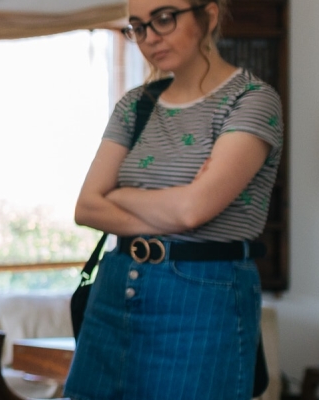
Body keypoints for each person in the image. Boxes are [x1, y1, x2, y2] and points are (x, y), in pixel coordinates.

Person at [68, 0, 282, 397]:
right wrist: (179, 206)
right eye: (138, 27)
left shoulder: (251, 99)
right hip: (114, 288)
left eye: (164, 19)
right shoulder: (135, 105)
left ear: (210, 15)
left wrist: (121, 194)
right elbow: (87, 206)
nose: (150, 38)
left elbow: (191, 210)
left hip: (204, 294)